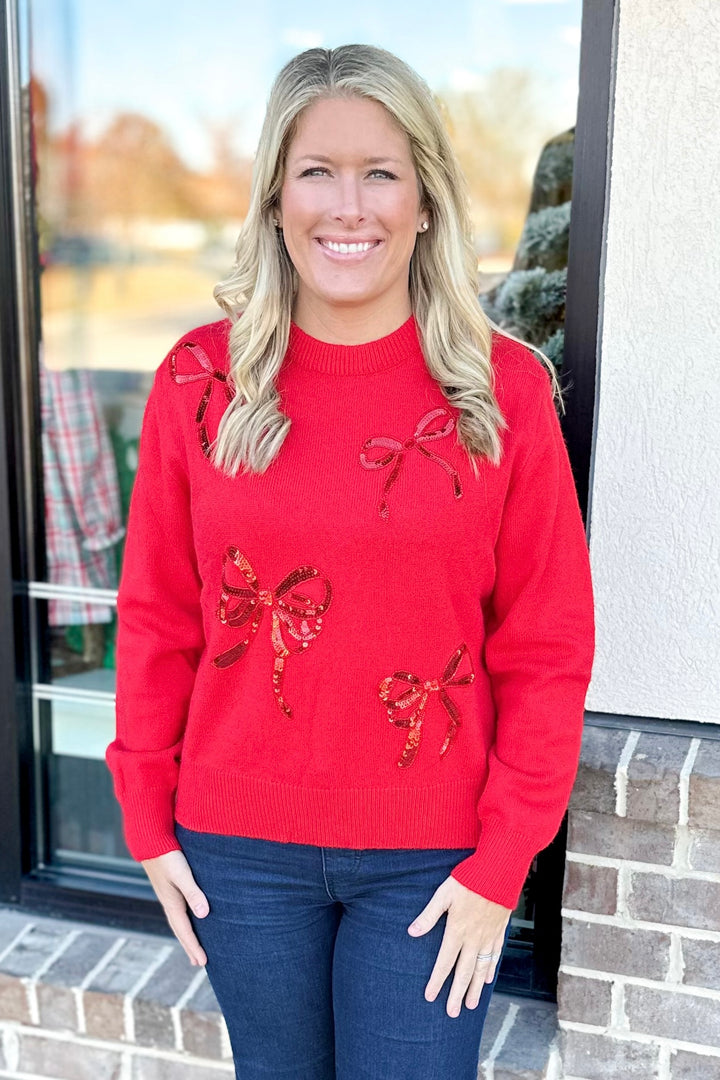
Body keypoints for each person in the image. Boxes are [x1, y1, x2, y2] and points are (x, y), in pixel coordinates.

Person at [105, 43, 595, 1080]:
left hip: (433, 863)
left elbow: (547, 646)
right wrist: (145, 818)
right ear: (276, 199)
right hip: (238, 848)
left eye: (381, 172)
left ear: (425, 201)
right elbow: (157, 613)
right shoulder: (201, 379)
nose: (349, 206)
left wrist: (503, 861)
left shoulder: (498, 393)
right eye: (316, 171)